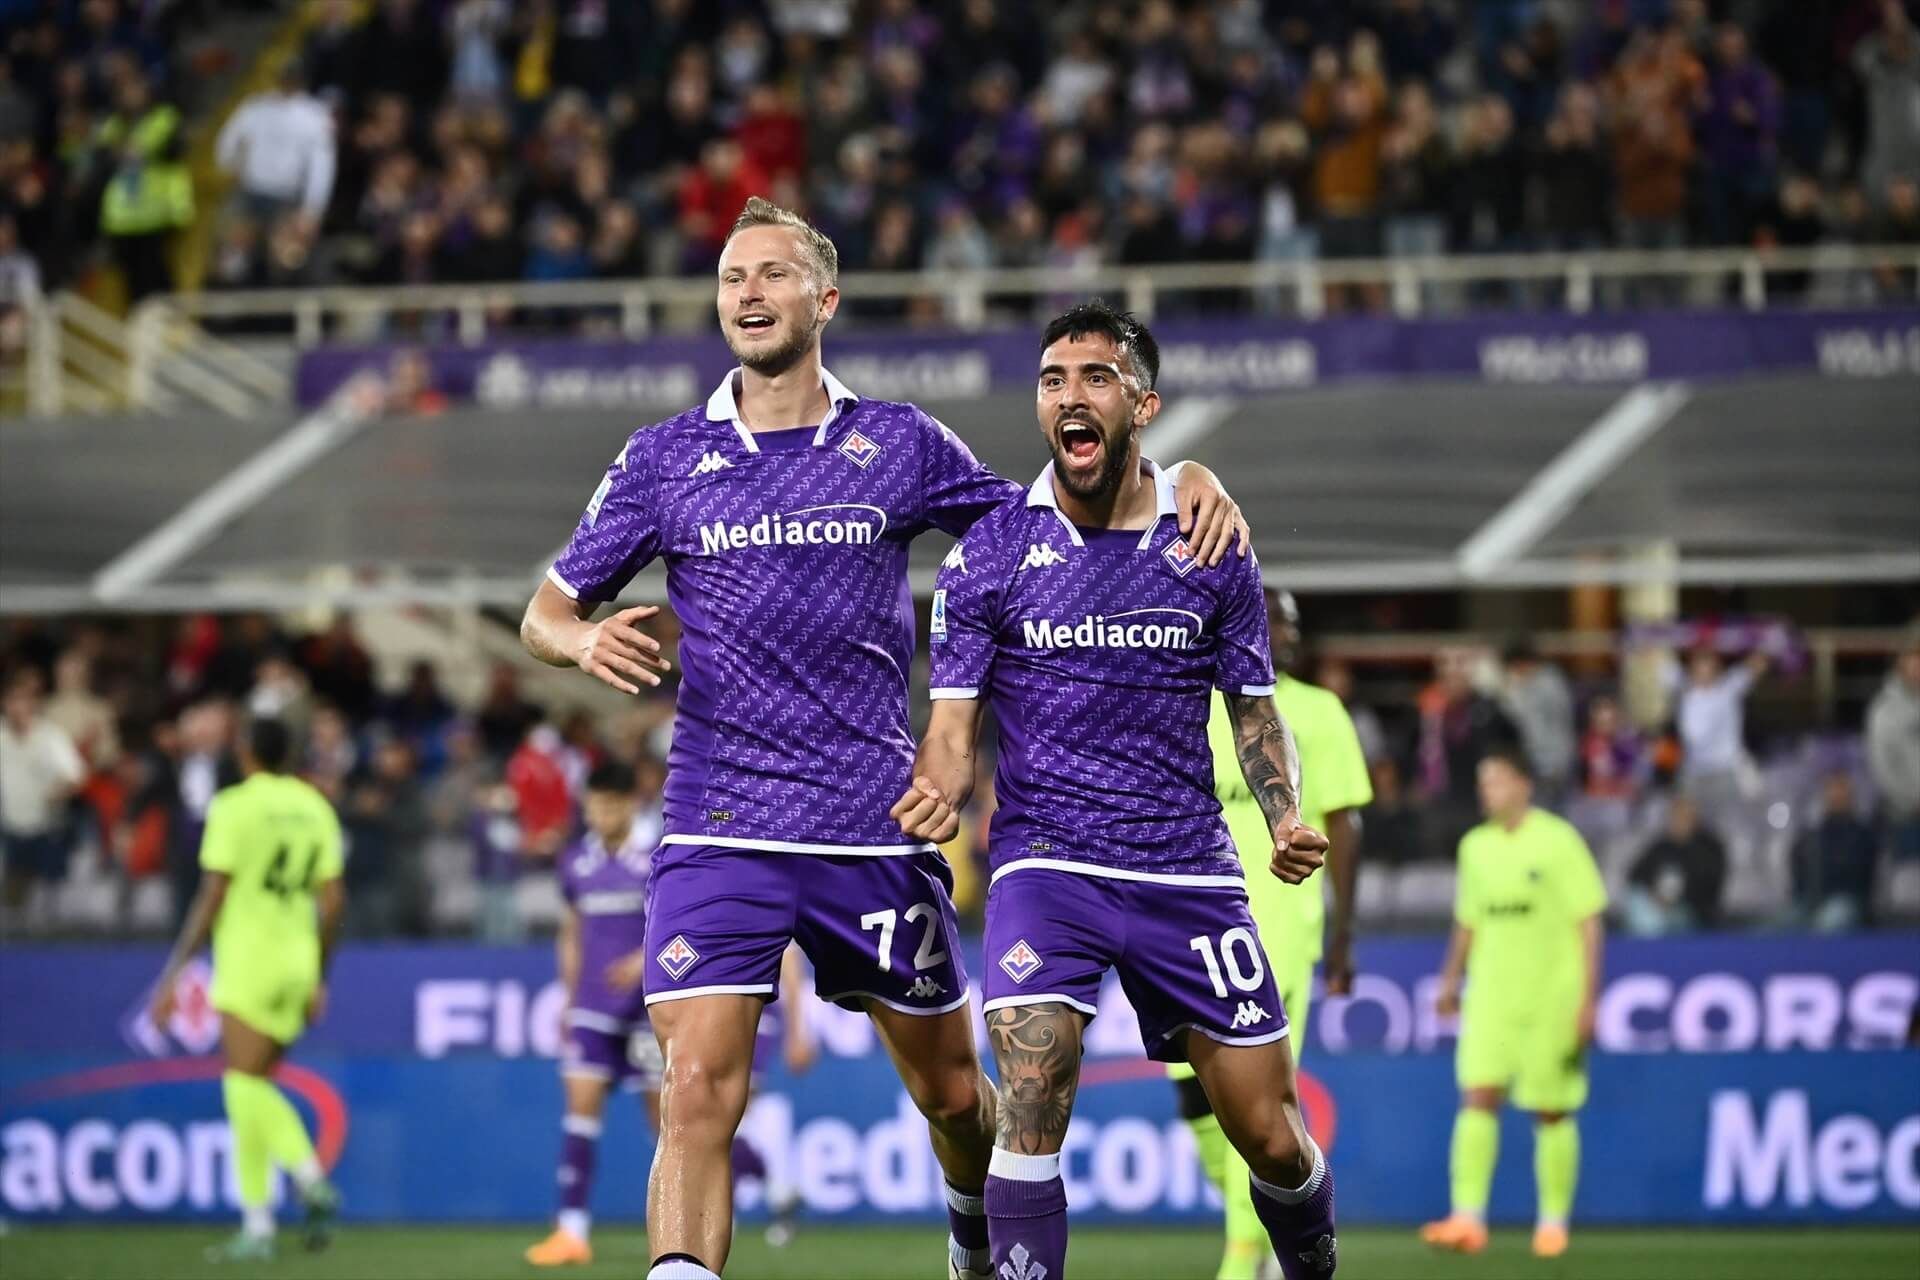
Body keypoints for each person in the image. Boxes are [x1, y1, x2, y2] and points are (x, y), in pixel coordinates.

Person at [519, 197, 1251, 1280]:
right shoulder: (666, 457)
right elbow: (544, 608)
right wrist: (580, 645)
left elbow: (1045, 530)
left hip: (873, 822)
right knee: (694, 1086)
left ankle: (971, 1230)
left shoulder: (895, 442)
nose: (749, 293)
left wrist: (1186, 473)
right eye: (731, 278)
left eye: (772, 274)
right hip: (722, 819)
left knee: (956, 1096)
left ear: (826, 298)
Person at [895, 302, 1337, 1280]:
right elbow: (955, 722)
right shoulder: (991, 553)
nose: (1069, 396)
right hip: (1047, 865)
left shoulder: (1208, 544)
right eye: (1053, 379)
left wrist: (1285, 815)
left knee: (1269, 1133)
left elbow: (1255, 709)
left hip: (1188, 870)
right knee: (1032, 1091)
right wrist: (938, 789)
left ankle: (1311, 1263)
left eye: (1094, 377)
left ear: (1143, 402)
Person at [1171, 589, 1372, 1280]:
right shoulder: (1192, 701)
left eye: (1287, 619)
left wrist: (1343, 939)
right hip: (1189, 924)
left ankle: (1241, 1259)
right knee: (1196, 1100)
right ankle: (1258, 1233)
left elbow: (1344, 826)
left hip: (1280, 928)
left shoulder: (1317, 712)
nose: (1277, 631)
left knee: (1256, 1103)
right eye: (1266, 617)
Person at [150, 718, 346, 1262]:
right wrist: (320, 976)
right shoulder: (315, 806)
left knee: (243, 1088)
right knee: (253, 1088)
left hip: (249, 959)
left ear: (244, 753)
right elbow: (333, 901)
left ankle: (309, 1178)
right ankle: (257, 1227)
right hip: (298, 960)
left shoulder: (233, 805)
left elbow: (212, 894)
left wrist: (173, 976)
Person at [1422, 750, 1606, 1261]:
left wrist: (1589, 999)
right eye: (1484, 782)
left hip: (1551, 996)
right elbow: (1469, 920)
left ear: (1524, 784)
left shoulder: (1558, 840)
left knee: (1550, 1109)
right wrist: (1450, 979)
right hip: (1491, 997)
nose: (1489, 792)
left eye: (1499, 781)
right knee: (1478, 1096)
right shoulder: (1475, 847)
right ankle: (1467, 1218)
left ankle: (1552, 1223)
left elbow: (1589, 920)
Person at [0, 672, 84, 926]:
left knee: (47, 901)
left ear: (33, 704)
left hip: (46, 826)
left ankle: (48, 942)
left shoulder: (50, 737)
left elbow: (75, 775)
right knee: (12, 901)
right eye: (12, 700)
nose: (18, 707)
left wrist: (60, 790)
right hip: (9, 828)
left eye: (23, 700)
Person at [1623, 794, 1726, 935]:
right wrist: (1655, 895)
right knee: (1638, 903)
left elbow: (1709, 888)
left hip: (1693, 912)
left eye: (1684, 816)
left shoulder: (1709, 848)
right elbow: (1635, 875)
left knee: (1658, 920)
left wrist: (1675, 898)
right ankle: (1646, 951)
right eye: (1675, 816)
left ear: (1694, 819)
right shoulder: (1662, 846)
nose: (1679, 821)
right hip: (1659, 908)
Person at [1866, 637, 1920, 863]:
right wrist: (1912, 802)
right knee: (1906, 889)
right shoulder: (1884, 711)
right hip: (1904, 818)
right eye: (1914, 663)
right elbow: (1882, 767)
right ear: (1901, 666)